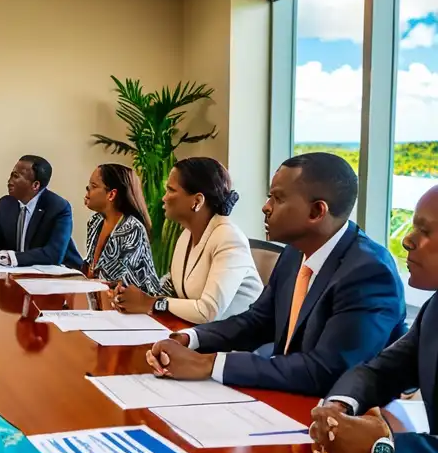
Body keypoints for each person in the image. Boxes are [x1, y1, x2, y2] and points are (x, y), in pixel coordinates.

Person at [145, 152, 406, 396]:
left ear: (317, 212)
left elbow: (326, 371)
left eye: (277, 198)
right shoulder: (295, 253)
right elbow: (258, 321)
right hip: (286, 396)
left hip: (339, 418)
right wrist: (191, 338)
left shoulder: (368, 272)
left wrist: (208, 364)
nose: (265, 207)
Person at [310, 186, 438, 453]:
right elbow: (379, 372)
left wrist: (386, 450)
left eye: (425, 231)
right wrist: (337, 408)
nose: (407, 240)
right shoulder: (433, 311)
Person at [113, 157, 262, 323]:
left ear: (197, 201)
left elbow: (208, 312)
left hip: (236, 344)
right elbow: (172, 287)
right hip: (199, 333)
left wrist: (151, 302)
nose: (164, 198)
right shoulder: (186, 235)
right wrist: (132, 293)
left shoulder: (229, 239)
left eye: (171, 190)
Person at [0, 155, 84, 268]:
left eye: (16, 176)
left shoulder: (58, 207)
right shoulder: (6, 204)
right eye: (11, 174)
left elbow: (53, 254)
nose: (9, 180)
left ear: (35, 185)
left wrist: (9, 258)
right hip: (22, 275)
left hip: (62, 277)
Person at [82, 164, 160, 292]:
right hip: (102, 297)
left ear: (111, 195)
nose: (87, 189)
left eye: (93, 186)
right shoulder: (95, 221)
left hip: (135, 304)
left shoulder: (132, 228)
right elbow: (92, 269)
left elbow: (120, 281)